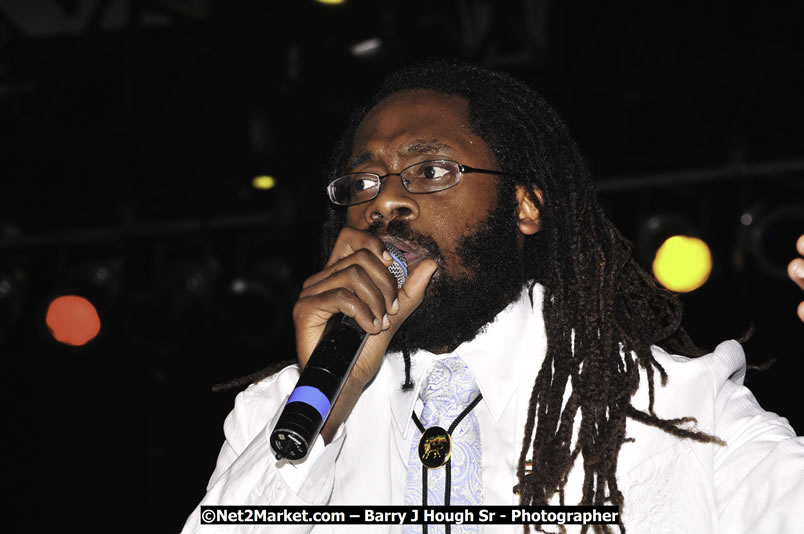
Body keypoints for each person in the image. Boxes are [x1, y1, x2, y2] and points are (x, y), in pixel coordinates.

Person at [181, 60, 803, 533]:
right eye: (363, 182)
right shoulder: (277, 415)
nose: (384, 201)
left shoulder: (681, 407)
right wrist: (327, 406)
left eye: (430, 171)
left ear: (524, 205)